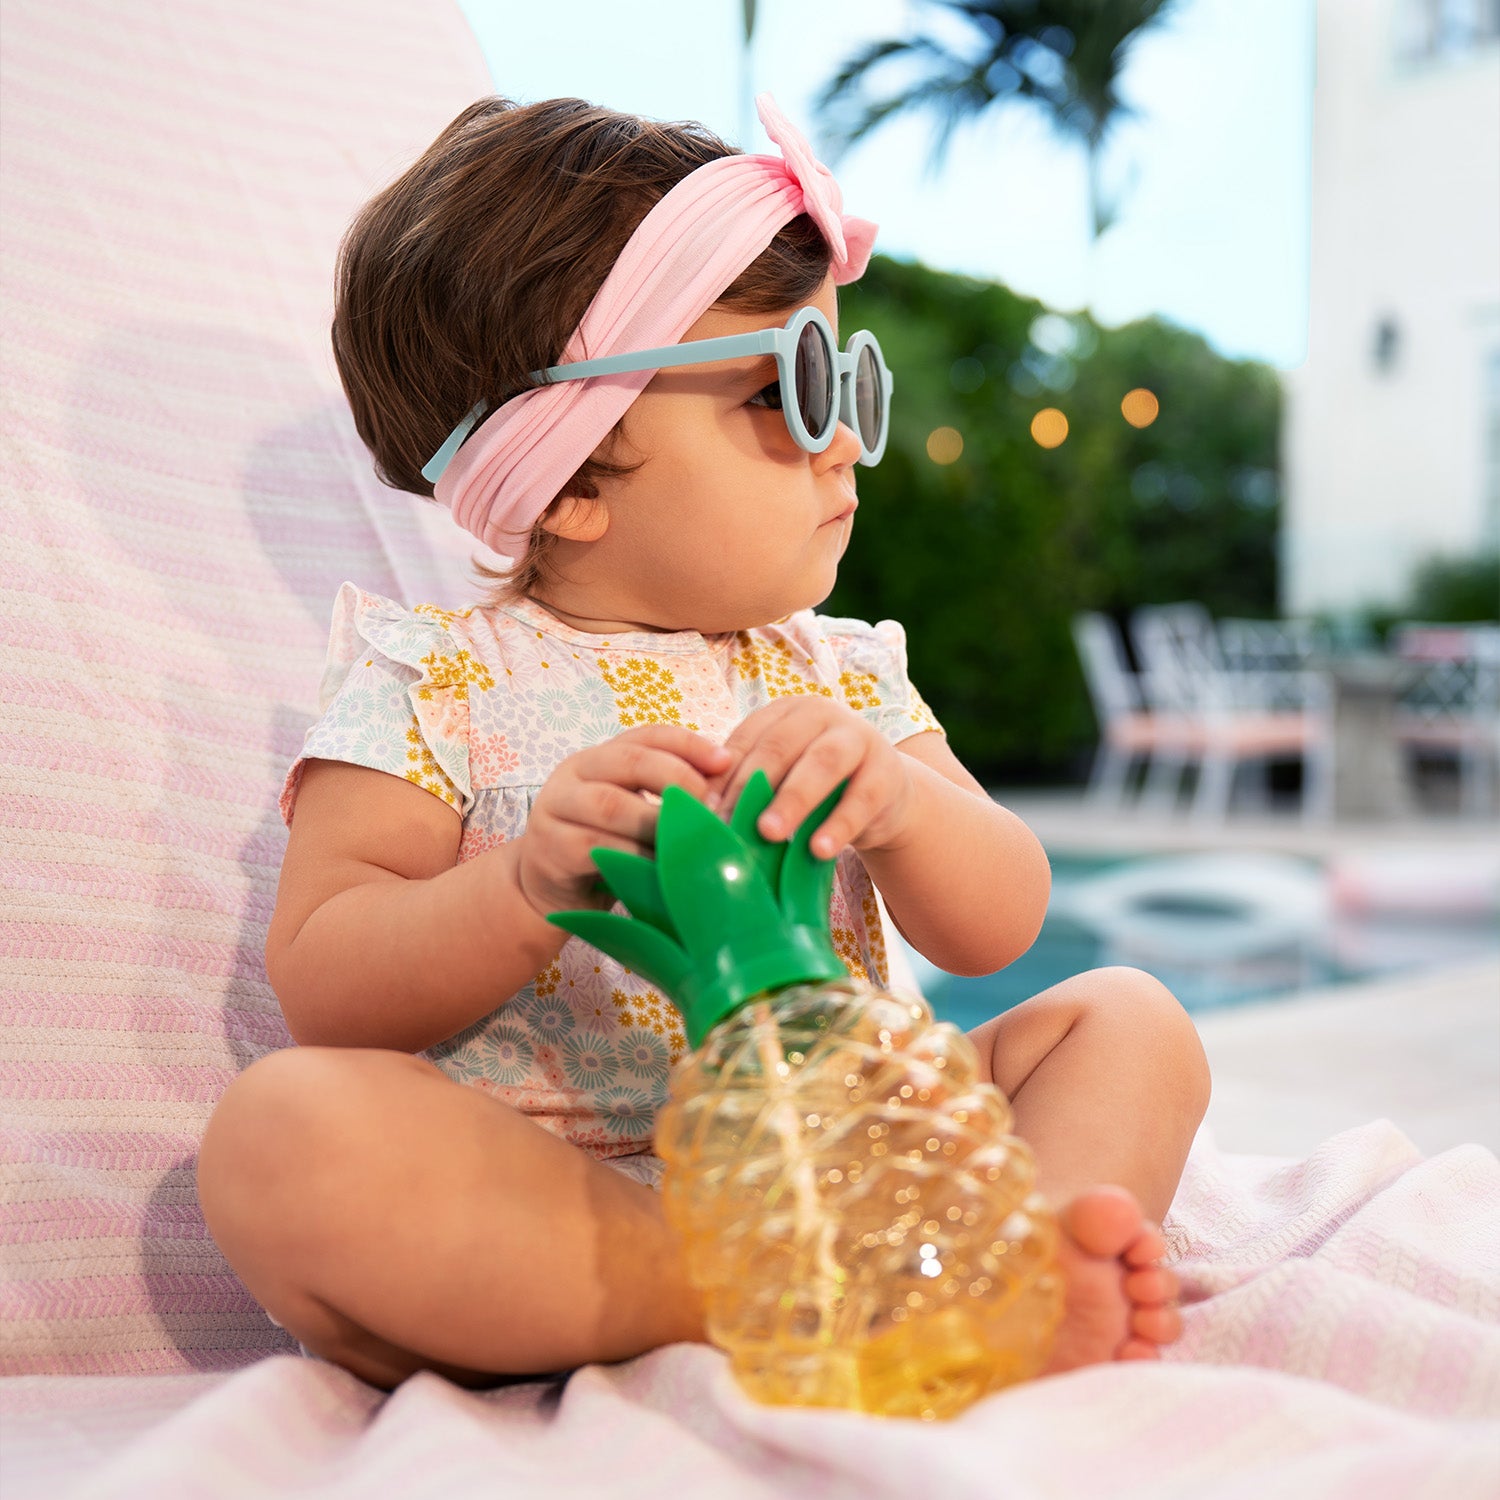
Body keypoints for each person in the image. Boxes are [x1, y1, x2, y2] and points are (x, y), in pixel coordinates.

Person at [197, 93, 1211, 1393]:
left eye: (846, 382)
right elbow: (325, 981)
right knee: (281, 1139)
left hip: (863, 1155)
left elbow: (1000, 924)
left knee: (1127, 1019)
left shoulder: (843, 667)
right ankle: (748, 1289)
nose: (843, 441)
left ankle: (997, 1258)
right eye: (785, 395)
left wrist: (900, 799)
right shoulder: (431, 678)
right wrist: (516, 891)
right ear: (566, 479)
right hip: (579, 1192)